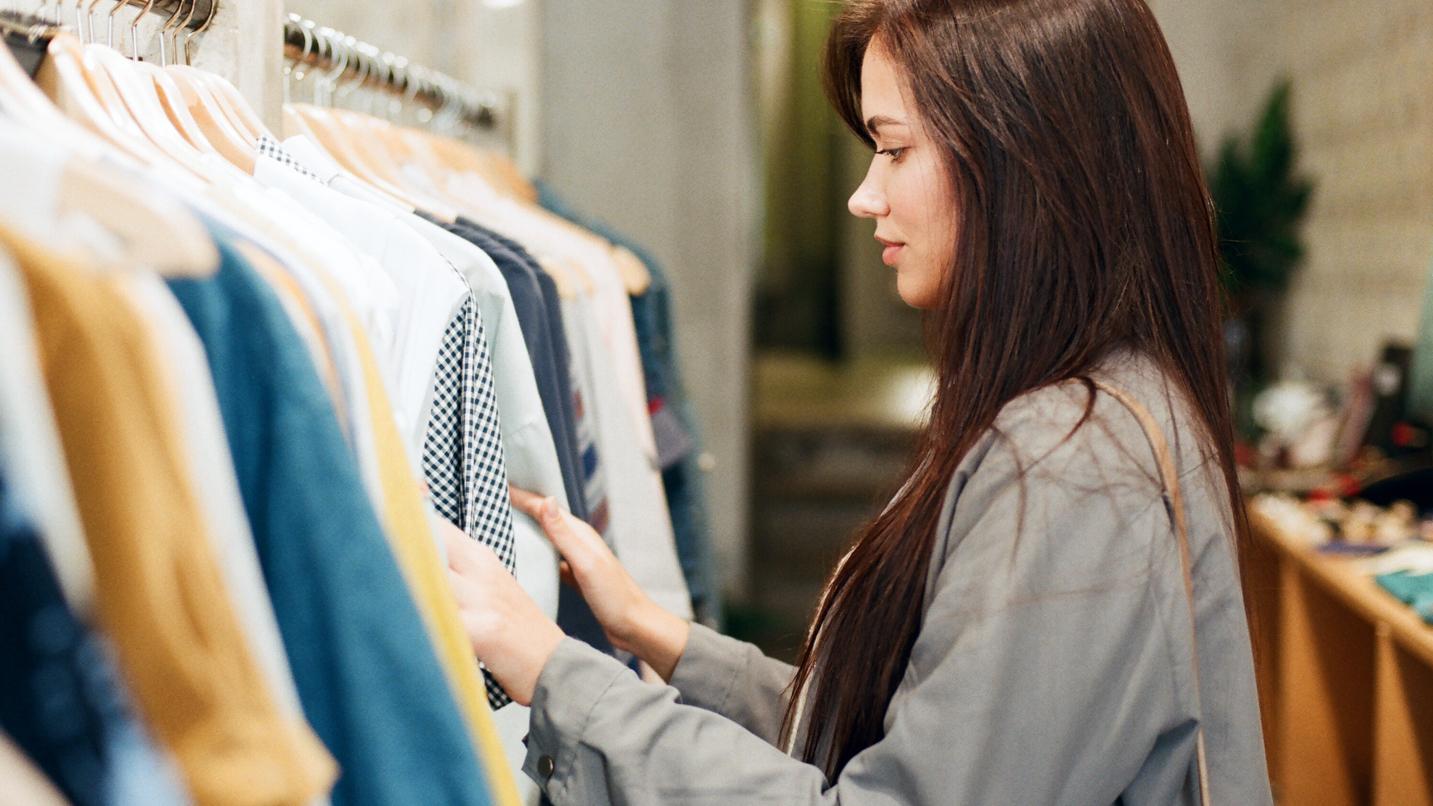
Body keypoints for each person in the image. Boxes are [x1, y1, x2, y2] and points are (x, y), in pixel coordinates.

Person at [443, 0, 1273, 802]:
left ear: (1022, 160)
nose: (865, 195)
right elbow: (918, 737)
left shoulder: (1072, 463)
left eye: (896, 150)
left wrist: (556, 673)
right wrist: (654, 633)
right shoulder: (1097, 408)